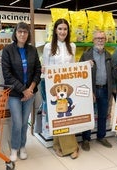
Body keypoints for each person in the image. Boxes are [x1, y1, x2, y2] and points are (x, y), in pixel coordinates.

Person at [1, 22, 41, 162]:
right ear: (15, 33)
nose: (22, 34)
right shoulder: (7, 50)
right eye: (20, 32)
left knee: (24, 122)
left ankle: (22, 147)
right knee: (17, 122)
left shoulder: (33, 50)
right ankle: (14, 148)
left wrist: (30, 89)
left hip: (30, 92)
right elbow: (7, 74)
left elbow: (38, 70)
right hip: (14, 94)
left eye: (25, 32)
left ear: (28, 34)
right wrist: (23, 90)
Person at [42, 18, 79, 159]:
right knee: (58, 114)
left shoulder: (72, 46)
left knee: (66, 115)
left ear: (68, 31)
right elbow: (46, 68)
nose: (63, 31)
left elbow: (73, 65)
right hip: (54, 87)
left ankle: (59, 145)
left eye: (65, 29)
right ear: (55, 30)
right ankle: (70, 147)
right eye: (60, 29)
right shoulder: (48, 47)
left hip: (68, 86)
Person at [79, 30, 113, 151]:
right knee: (88, 115)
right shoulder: (86, 55)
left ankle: (101, 136)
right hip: (91, 90)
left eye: (102, 38)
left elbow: (112, 73)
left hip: (104, 89)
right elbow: (80, 74)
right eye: (98, 38)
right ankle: (86, 139)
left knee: (103, 115)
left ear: (105, 40)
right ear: (93, 40)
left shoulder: (109, 56)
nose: (100, 40)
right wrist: (89, 91)